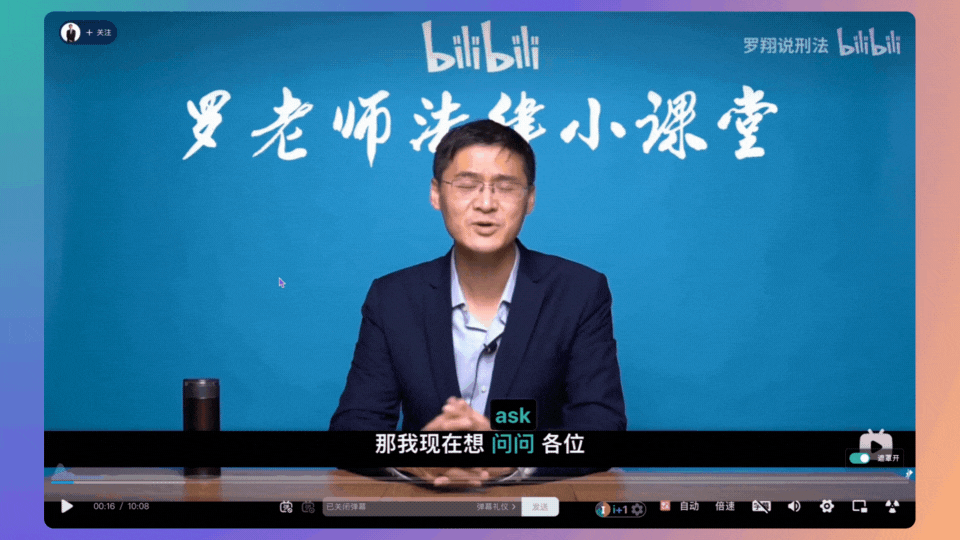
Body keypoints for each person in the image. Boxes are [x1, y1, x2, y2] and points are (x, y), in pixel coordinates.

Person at [330, 119, 626, 488]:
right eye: (467, 185)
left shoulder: (579, 291)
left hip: (535, 506)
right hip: (427, 504)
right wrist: (414, 457)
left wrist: (509, 454)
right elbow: (353, 428)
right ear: (436, 193)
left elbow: (601, 427)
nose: (486, 204)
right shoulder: (392, 297)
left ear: (530, 198)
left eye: (506, 187)